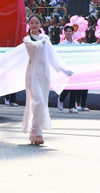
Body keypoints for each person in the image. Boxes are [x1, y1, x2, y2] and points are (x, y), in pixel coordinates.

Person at [22, 14, 72, 145]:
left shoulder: (45, 38)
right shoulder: (27, 39)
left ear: (41, 24)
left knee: (42, 102)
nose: (34, 25)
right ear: (29, 24)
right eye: (32, 23)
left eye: (37, 23)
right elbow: (34, 47)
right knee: (37, 102)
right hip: (32, 73)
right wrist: (43, 41)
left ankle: (38, 133)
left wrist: (63, 69)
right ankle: (35, 130)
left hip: (44, 73)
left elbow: (52, 55)